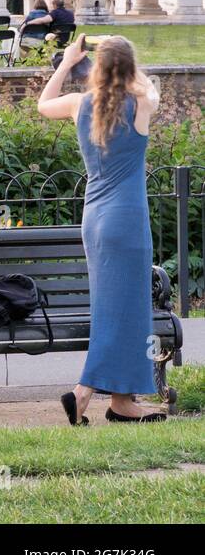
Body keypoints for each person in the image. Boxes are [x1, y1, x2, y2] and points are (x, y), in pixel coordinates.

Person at [38, 36, 165, 425]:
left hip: (94, 218)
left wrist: (68, 62)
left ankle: (123, 402)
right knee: (121, 311)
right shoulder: (141, 104)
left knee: (122, 309)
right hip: (126, 220)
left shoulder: (81, 104)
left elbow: (43, 104)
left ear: (97, 67)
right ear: (129, 67)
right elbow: (149, 88)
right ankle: (83, 394)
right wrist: (118, 54)